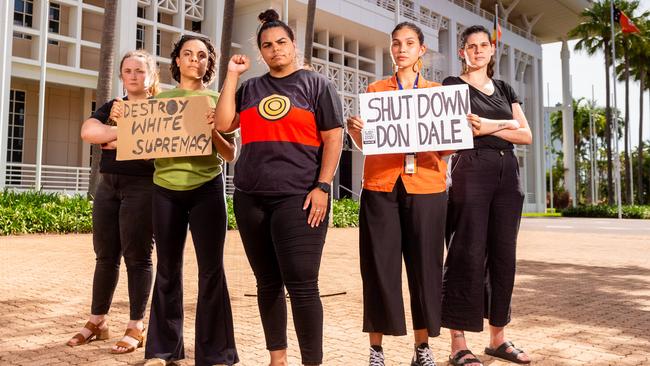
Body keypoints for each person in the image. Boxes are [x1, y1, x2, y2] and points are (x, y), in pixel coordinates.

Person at [213, 9, 344, 366]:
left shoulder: (318, 85)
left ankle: (311, 363)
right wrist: (231, 74)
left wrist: (323, 185)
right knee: (267, 283)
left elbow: (333, 138)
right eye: (267, 45)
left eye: (281, 42)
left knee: (302, 285)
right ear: (261, 52)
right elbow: (224, 124)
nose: (275, 50)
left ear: (293, 45)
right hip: (250, 197)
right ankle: (277, 359)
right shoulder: (251, 88)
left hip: (299, 198)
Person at [347, 22, 450, 366]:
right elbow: (368, 145)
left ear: (421, 50)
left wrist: (454, 131)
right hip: (381, 187)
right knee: (379, 268)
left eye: (409, 43)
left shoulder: (437, 94)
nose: (401, 49)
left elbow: (447, 150)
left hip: (427, 187)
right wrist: (355, 132)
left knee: (425, 268)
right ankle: (376, 350)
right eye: (396, 44)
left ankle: (423, 348)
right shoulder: (376, 91)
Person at [142, 34, 238, 366]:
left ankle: (215, 354)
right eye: (187, 54)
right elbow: (143, 149)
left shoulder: (218, 99)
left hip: (207, 189)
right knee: (167, 269)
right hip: (165, 190)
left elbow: (231, 153)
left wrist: (212, 131)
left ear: (208, 63)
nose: (194, 59)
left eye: (201, 55)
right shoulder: (156, 103)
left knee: (211, 271)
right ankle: (162, 350)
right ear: (177, 61)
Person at [441, 25, 532, 366]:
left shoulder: (505, 87)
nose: (478, 51)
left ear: (493, 51)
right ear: (462, 51)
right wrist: (507, 126)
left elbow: (527, 135)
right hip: (471, 170)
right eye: (471, 46)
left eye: (484, 45)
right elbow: (461, 130)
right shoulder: (453, 85)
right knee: (466, 252)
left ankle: (498, 339)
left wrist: (491, 126)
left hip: (508, 173)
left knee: (503, 256)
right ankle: (458, 344)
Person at [69, 50, 159, 354]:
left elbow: (155, 147)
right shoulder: (114, 107)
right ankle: (98, 321)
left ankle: (137, 325)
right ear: (122, 75)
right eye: (128, 71)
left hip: (142, 187)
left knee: (138, 257)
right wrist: (122, 133)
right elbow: (88, 132)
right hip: (107, 186)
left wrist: (112, 140)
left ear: (151, 75)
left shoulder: (160, 109)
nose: (133, 76)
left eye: (139, 70)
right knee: (105, 256)